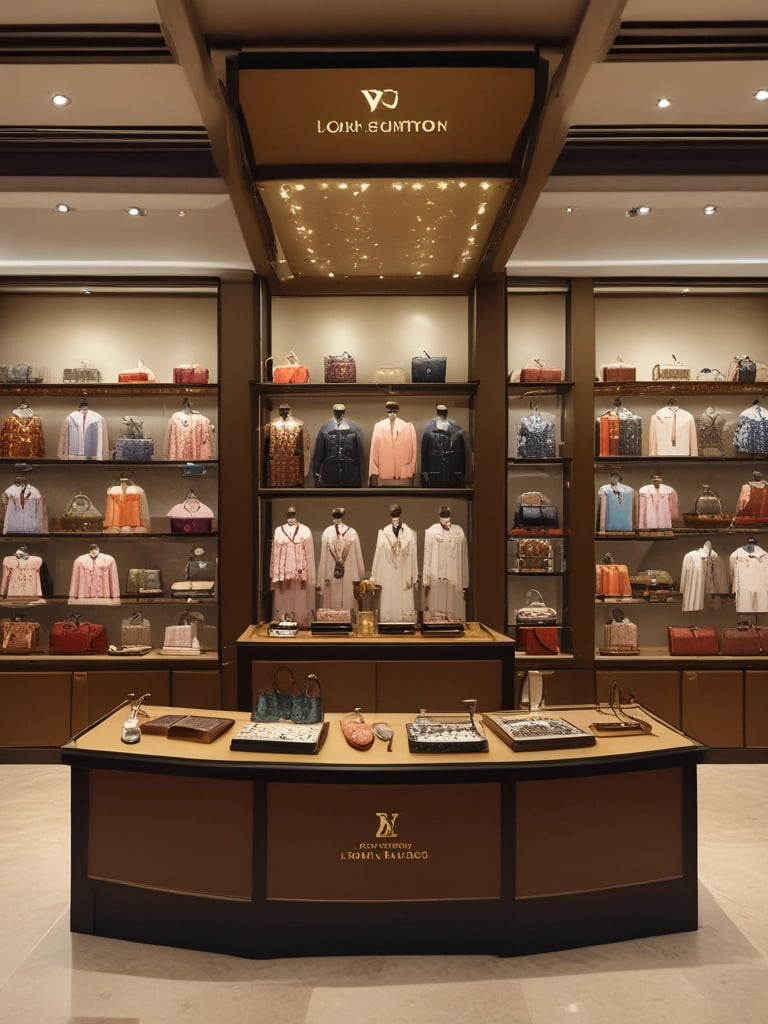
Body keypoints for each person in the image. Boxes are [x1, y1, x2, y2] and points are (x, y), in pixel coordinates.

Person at [371, 504, 418, 622]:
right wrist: (374, 576)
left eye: (397, 513)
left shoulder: (410, 534)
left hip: (405, 574)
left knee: (405, 603)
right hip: (389, 574)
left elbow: (413, 557)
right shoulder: (383, 533)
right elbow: (378, 554)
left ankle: (406, 624)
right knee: (389, 602)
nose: (395, 516)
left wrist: (414, 576)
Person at [269, 505, 315, 627]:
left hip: (300, 573)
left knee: (300, 597)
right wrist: (275, 574)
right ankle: (284, 620)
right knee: (284, 596)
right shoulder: (278, 531)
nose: (291, 517)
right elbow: (275, 554)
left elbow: (309, 555)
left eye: (293, 514)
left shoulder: (305, 530)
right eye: (289, 514)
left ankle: (300, 621)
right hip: (284, 573)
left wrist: (309, 575)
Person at [422, 506, 468, 621]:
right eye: (443, 515)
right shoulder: (432, 531)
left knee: (454, 606)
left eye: (447, 515)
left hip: (454, 577)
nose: (445, 518)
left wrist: (465, 582)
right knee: (438, 605)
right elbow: (427, 556)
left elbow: (464, 556)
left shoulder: (459, 531)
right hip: (437, 576)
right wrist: (426, 578)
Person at [317, 507, 365, 611]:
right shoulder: (330, 533)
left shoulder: (351, 533)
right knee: (333, 603)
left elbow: (357, 556)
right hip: (332, 574)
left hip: (347, 575)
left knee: (348, 601)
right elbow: (323, 557)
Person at [311, 404, 365, 487]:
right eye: (336, 412)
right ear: (333, 411)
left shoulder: (354, 428)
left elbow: (360, 455)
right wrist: (316, 472)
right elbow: (318, 453)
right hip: (329, 474)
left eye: (341, 412)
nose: (338, 414)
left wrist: (360, 475)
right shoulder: (325, 428)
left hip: (350, 475)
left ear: (344, 412)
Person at [368, 402, 417, 485]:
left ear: (397, 412)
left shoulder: (408, 427)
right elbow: (373, 450)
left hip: (404, 475)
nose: (392, 414)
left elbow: (414, 451)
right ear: (387, 412)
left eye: (394, 412)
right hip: (383, 474)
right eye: (390, 412)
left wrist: (411, 470)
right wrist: (374, 471)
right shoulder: (379, 427)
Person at [421, 405, 468, 488]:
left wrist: (462, 472)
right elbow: (424, 452)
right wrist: (425, 471)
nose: (442, 414)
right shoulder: (428, 428)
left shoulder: (456, 428)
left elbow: (461, 452)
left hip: (452, 470)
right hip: (434, 469)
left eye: (444, 411)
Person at [264, 405, 310, 487]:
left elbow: (305, 447)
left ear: (289, 410)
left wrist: (305, 469)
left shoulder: (299, 424)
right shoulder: (272, 424)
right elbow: (265, 448)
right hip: (276, 465)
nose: (283, 412)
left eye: (286, 410)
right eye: (281, 410)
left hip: (293, 465)